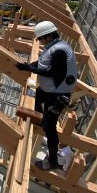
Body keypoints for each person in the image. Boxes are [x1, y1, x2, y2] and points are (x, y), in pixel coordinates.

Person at [16, 21, 77, 171]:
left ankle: (53, 161)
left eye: (41, 39)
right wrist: (30, 65)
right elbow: (43, 62)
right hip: (50, 89)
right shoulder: (53, 47)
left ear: (49, 36)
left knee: (50, 127)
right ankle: (40, 121)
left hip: (58, 94)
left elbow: (51, 72)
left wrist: (30, 68)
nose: (40, 41)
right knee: (36, 97)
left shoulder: (60, 51)